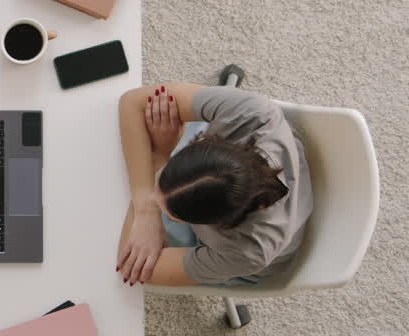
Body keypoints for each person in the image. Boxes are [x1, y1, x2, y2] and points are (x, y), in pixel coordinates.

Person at [115, 77, 312, 288]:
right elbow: (131, 102)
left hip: (244, 257)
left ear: (209, 225)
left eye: (169, 213)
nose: (152, 196)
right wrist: (146, 211)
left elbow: (133, 267)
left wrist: (161, 156)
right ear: (201, 144)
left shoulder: (247, 250)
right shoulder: (253, 112)